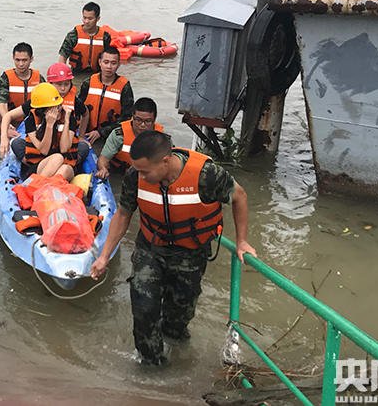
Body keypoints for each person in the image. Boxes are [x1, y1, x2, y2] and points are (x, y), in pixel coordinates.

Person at [90, 131, 257, 366]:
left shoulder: (207, 176)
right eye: (138, 170)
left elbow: (239, 197)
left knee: (178, 319)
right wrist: (104, 256)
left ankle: (176, 349)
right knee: (143, 306)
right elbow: (123, 214)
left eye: (145, 171)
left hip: (191, 253)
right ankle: (151, 366)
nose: (140, 176)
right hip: (151, 248)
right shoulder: (134, 176)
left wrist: (241, 241)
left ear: (165, 162)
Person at [0, 63, 90, 160]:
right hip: (42, 145)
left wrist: (81, 136)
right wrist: (4, 137)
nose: (63, 88)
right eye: (59, 84)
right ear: (50, 84)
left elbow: (85, 113)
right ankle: (32, 162)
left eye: (66, 84)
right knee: (17, 143)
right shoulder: (39, 101)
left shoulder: (74, 104)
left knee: (83, 148)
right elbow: (8, 116)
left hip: (63, 146)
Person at [20, 83, 79, 181]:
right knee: (57, 158)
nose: (57, 110)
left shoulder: (69, 117)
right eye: (52, 108)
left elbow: (64, 148)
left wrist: (67, 121)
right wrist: (49, 125)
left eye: (58, 106)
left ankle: (47, 186)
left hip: (64, 164)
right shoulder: (31, 120)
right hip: (42, 165)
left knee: (64, 168)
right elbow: (44, 150)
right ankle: (38, 184)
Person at [96, 97, 164, 179]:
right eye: (138, 120)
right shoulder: (119, 135)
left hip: (149, 179)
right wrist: (103, 169)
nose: (142, 125)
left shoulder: (162, 139)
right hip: (120, 177)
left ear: (154, 119)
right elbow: (103, 158)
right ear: (132, 116)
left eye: (148, 121)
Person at [78, 46, 134, 144]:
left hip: (111, 136)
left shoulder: (125, 86)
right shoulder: (88, 82)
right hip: (86, 133)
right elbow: (78, 108)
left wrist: (101, 132)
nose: (109, 67)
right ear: (100, 62)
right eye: (106, 62)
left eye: (113, 63)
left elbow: (126, 117)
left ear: (119, 64)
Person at [58, 2, 117, 74]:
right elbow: (63, 57)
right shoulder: (73, 35)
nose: (86, 21)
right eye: (84, 17)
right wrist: (62, 74)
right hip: (77, 73)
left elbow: (109, 58)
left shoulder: (105, 37)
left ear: (97, 18)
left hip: (97, 73)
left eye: (90, 18)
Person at [0, 42, 46, 116]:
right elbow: (3, 105)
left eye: (24, 60)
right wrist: (7, 121)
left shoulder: (39, 78)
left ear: (31, 59)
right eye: (17, 60)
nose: (21, 64)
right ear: (13, 58)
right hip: (12, 120)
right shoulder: (5, 78)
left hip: (33, 120)